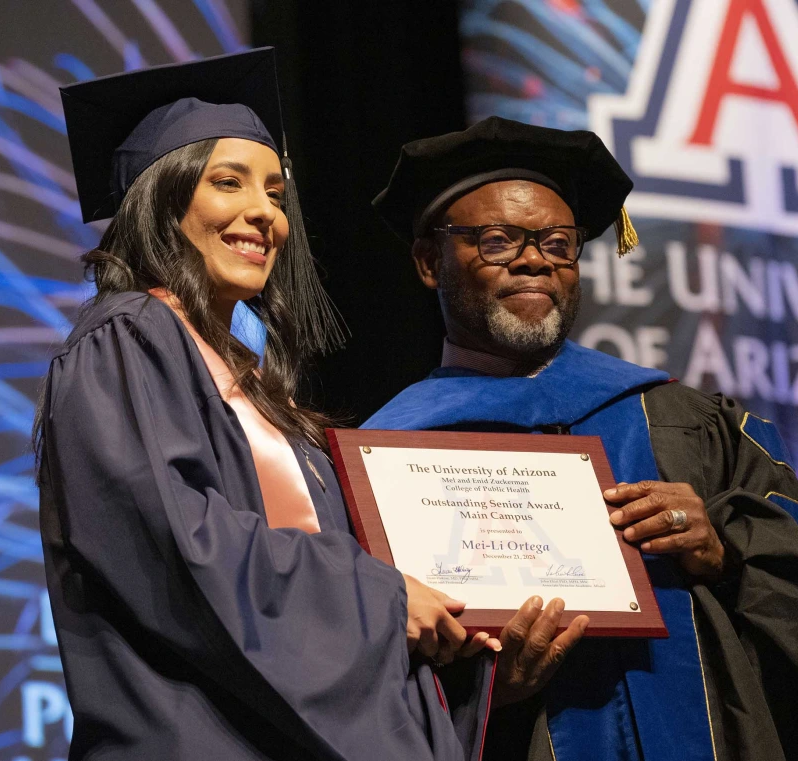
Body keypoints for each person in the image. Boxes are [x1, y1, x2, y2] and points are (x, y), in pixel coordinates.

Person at [365, 116, 798, 761]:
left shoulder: (690, 424)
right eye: (498, 240)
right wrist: (476, 694)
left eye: (559, 243)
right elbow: (351, 683)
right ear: (429, 262)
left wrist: (727, 554)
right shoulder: (385, 455)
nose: (535, 259)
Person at [35, 49, 498, 761]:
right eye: (229, 182)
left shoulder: (257, 388)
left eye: (277, 195)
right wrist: (381, 598)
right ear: (163, 196)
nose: (265, 214)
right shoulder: (127, 338)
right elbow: (174, 542)